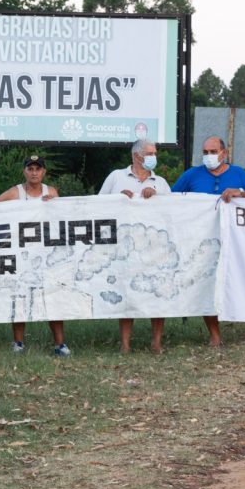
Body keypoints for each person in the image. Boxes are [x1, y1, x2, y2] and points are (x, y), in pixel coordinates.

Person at [171, 136, 245, 346]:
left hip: (236, 241)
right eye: (205, 152)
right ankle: (215, 335)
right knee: (206, 284)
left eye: (213, 152)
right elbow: (170, 199)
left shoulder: (239, 173)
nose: (209, 156)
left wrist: (240, 193)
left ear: (224, 153)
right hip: (202, 242)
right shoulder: (191, 175)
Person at [0, 155, 69, 356]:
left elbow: (63, 218)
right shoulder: (15, 192)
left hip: (47, 255)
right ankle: (18, 343)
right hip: (22, 254)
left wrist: (55, 204)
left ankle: (60, 344)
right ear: (24, 171)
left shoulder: (51, 192)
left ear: (44, 172)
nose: (34, 173)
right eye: (30, 169)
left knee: (53, 297)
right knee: (20, 297)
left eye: (38, 169)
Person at [99, 140, 171, 353]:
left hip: (154, 246)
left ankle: (156, 342)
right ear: (136, 155)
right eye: (150, 153)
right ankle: (125, 344)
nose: (153, 157)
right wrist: (117, 199)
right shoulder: (116, 177)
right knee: (127, 292)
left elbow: (173, 211)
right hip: (124, 246)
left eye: (155, 153)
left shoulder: (160, 182)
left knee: (157, 292)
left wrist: (156, 196)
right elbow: (97, 205)